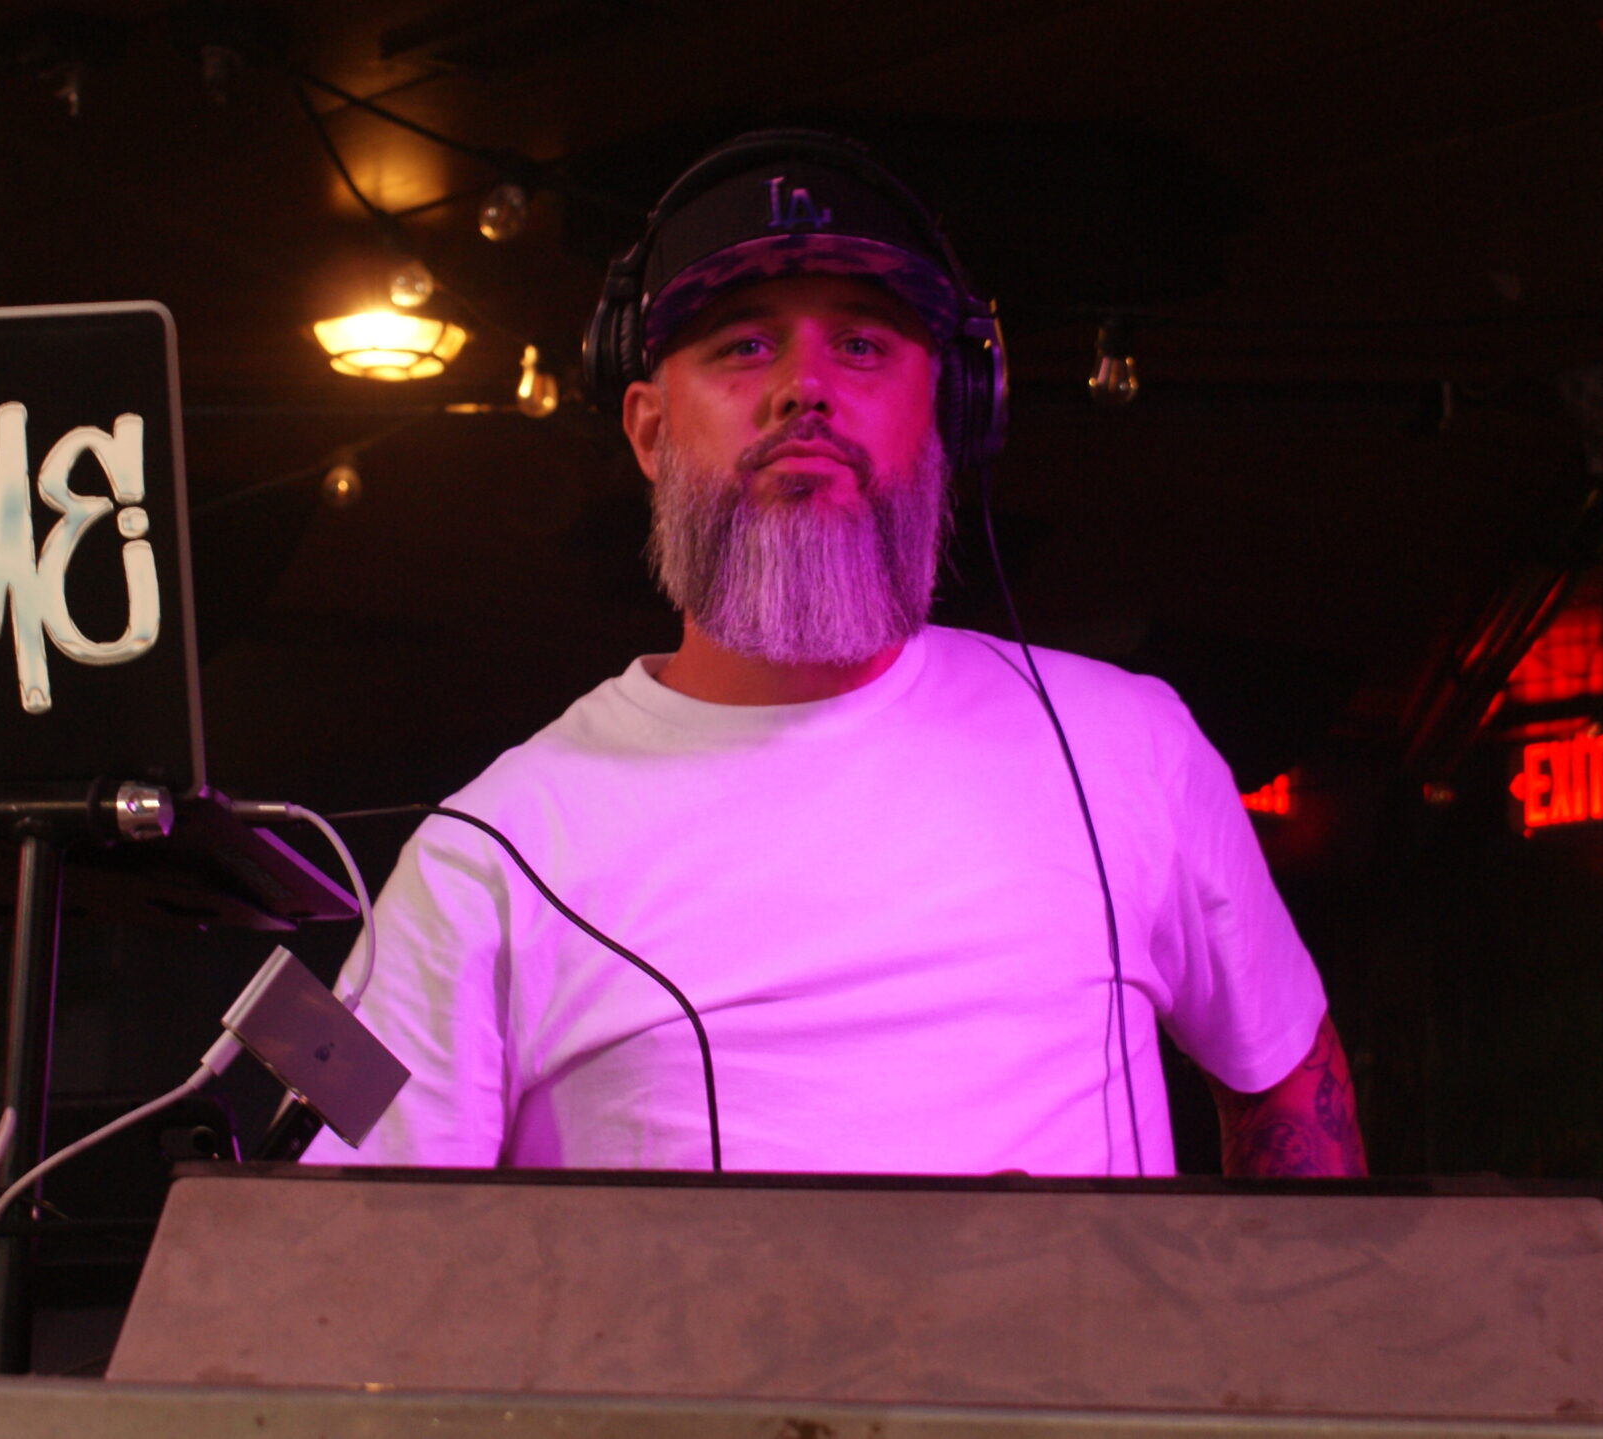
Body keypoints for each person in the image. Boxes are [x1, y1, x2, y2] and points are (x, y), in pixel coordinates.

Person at [303, 131, 1364, 1178]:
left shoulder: (1129, 747)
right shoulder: (486, 854)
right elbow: (338, 1261)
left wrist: (1274, 1344)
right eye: (742, 345)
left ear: (948, 416)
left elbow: (1286, 1083)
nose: (804, 389)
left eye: (861, 345)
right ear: (646, 429)